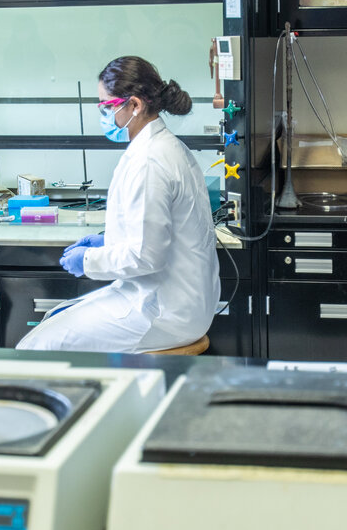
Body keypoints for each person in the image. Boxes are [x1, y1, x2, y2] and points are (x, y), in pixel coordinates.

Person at [18, 56, 219, 353]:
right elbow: (158, 232)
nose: (103, 115)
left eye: (106, 106)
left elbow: (146, 257)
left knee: (36, 347)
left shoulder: (150, 160)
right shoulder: (166, 147)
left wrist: (87, 260)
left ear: (135, 105)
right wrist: (107, 242)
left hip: (163, 311)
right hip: (178, 301)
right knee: (54, 317)